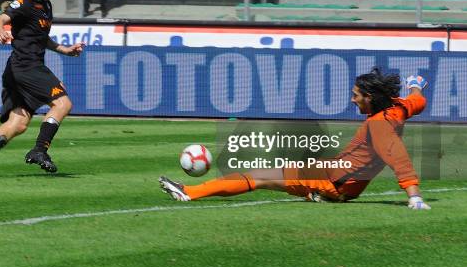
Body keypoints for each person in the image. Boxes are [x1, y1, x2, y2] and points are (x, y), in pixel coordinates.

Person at [160, 69, 432, 210]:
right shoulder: (398, 107)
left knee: (258, 175)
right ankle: (319, 196)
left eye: (356, 94)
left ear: (369, 98)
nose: (352, 99)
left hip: (334, 181)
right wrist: (416, 83)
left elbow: (398, 158)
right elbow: (418, 100)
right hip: (338, 175)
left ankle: (189, 192)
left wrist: (414, 197)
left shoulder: (380, 125)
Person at [0, 0, 85, 178]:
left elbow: (42, 38)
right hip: (25, 66)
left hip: (23, 68)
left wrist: (66, 50)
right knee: (63, 103)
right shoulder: (25, 2)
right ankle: (40, 150)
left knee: (19, 123)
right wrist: (0, 32)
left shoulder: (46, 4)